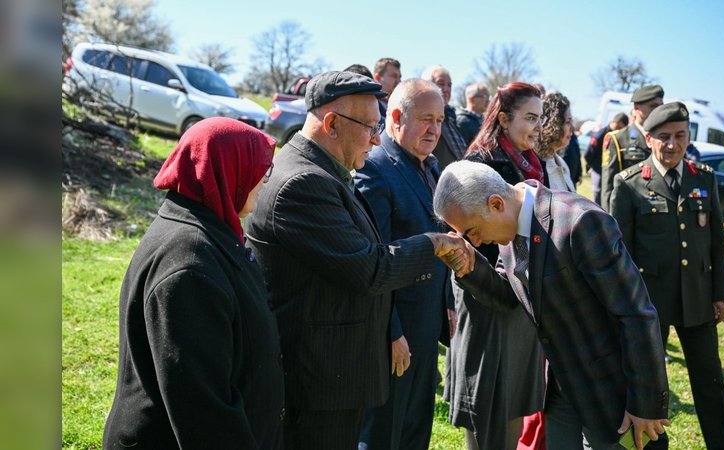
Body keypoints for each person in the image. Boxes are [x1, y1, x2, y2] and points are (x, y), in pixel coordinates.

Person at [243, 71, 472, 450]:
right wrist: (433, 243)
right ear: (331, 124)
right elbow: (369, 267)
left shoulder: (325, 171)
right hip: (316, 376)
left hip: (330, 370)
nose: (376, 138)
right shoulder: (304, 182)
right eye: (369, 126)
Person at [434, 160, 670, 450]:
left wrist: (646, 403)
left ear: (496, 204)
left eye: (471, 231)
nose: (476, 241)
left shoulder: (580, 221)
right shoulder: (510, 225)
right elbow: (509, 294)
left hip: (614, 397)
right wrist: (470, 268)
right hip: (562, 393)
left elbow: (636, 314)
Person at [103, 118, 283, 449]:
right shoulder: (189, 264)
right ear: (229, 170)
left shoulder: (208, 227)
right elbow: (202, 409)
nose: (265, 182)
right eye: (262, 171)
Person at [610, 102, 724, 450]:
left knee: (711, 382)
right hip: (649, 305)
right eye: (663, 137)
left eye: (680, 136)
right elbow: (618, 255)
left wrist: (720, 294)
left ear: (688, 136)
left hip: (697, 300)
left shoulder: (703, 178)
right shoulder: (630, 184)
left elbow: (715, 245)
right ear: (649, 138)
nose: (672, 144)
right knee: (650, 385)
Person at [355, 78, 454, 450]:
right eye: (427, 119)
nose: (435, 129)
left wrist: (447, 305)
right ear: (395, 117)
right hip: (394, 333)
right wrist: (390, 332)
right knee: (382, 434)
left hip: (426, 326)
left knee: (416, 431)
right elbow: (375, 257)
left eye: (440, 120)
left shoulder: (429, 165)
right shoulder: (375, 168)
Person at [447, 81, 546, 450]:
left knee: (512, 409)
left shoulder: (535, 165)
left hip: (523, 300)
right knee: (488, 408)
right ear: (503, 118)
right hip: (489, 298)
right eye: (530, 118)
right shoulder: (480, 165)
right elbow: (463, 241)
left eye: (541, 118)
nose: (538, 127)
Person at [600, 84, 664, 210]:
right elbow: (608, 187)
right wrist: (608, 224)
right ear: (636, 107)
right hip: (628, 213)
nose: (658, 111)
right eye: (653, 106)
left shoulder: (663, 138)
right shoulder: (618, 139)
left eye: (660, 106)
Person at [422, 65, 468, 169]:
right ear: (426, 85)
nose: (446, 89)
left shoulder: (452, 118)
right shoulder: (421, 119)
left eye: (449, 85)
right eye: (440, 84)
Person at [535, 92, 577, 193]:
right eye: (568, 122)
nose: (573, 128)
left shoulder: (562, 164)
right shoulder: (536, 167)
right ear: (554, 124)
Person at [585, 112, 629, 204]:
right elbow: (588, 154)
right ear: (619, 123)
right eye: (622, 126)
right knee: (598, 194)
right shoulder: (601, 135)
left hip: (609, 171)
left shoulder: (618, 135)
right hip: (599, 170)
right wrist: (595, 168)